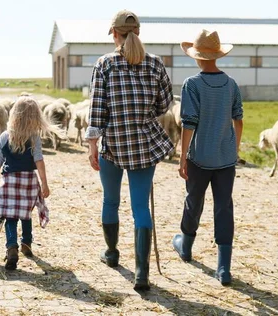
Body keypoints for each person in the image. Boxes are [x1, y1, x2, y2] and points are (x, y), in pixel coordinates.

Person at [86, 10, 174, 291]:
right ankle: (142, 274)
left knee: (111, 201)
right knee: (140, 207)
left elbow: (96, 110)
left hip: (112, 145)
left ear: (115, 34)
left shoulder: (105, 64)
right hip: (144, 145)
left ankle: (112, 254)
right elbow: (164, 106)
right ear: (138, 32)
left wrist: (91, 146)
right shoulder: (156, 64)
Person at [172, 29, 244, 286]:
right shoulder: (231, 84)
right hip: (225, 159)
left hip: (199, 156)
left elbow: (188, 123)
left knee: (194, 200)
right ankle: (223, 268)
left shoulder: (192, 84)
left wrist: (182, 157)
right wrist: (233, 150)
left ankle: (185, 246)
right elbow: (238, 119)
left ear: (197, 56)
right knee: (224, 207)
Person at [0, 97, 62, 270]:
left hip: (9, 181)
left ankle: (11, 247)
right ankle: (26, 244)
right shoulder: (34, 137)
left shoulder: (3, 137)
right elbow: (39, 161)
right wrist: (45, 183)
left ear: (13, 114)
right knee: (25, 213)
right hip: (28, 181)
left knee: (10, 216)